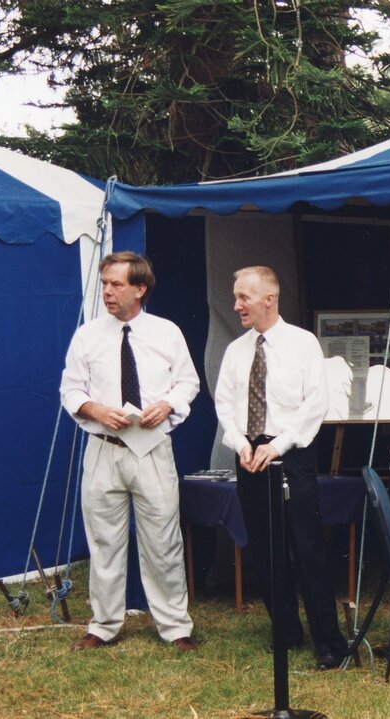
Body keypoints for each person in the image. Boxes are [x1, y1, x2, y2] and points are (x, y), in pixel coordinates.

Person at [60, 251, 199, 652]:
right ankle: (103, 624)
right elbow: (70, 390)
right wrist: (96, 410)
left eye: (116, 284)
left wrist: (167, 404)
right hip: (103, 449)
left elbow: (187, 383)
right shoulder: (87, 335)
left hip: (152, 449)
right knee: (103, 540)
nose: (107, 291)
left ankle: (175, 627)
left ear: (140, 288)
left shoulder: (166, 333)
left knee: (163, 540)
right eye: (104, 283)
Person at [214, 266, 348, 670]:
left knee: (306, 548)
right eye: (236, 297)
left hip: (291, 452)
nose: (236, 305)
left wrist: (279, 445)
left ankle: (330, 642)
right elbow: (225, 404)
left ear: (269, 299)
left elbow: (315, 403)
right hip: (249, 456)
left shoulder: (302, 344)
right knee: (264, 549)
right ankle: (286, 631)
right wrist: (241, 444)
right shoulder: (237, 350)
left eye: (244, 297)